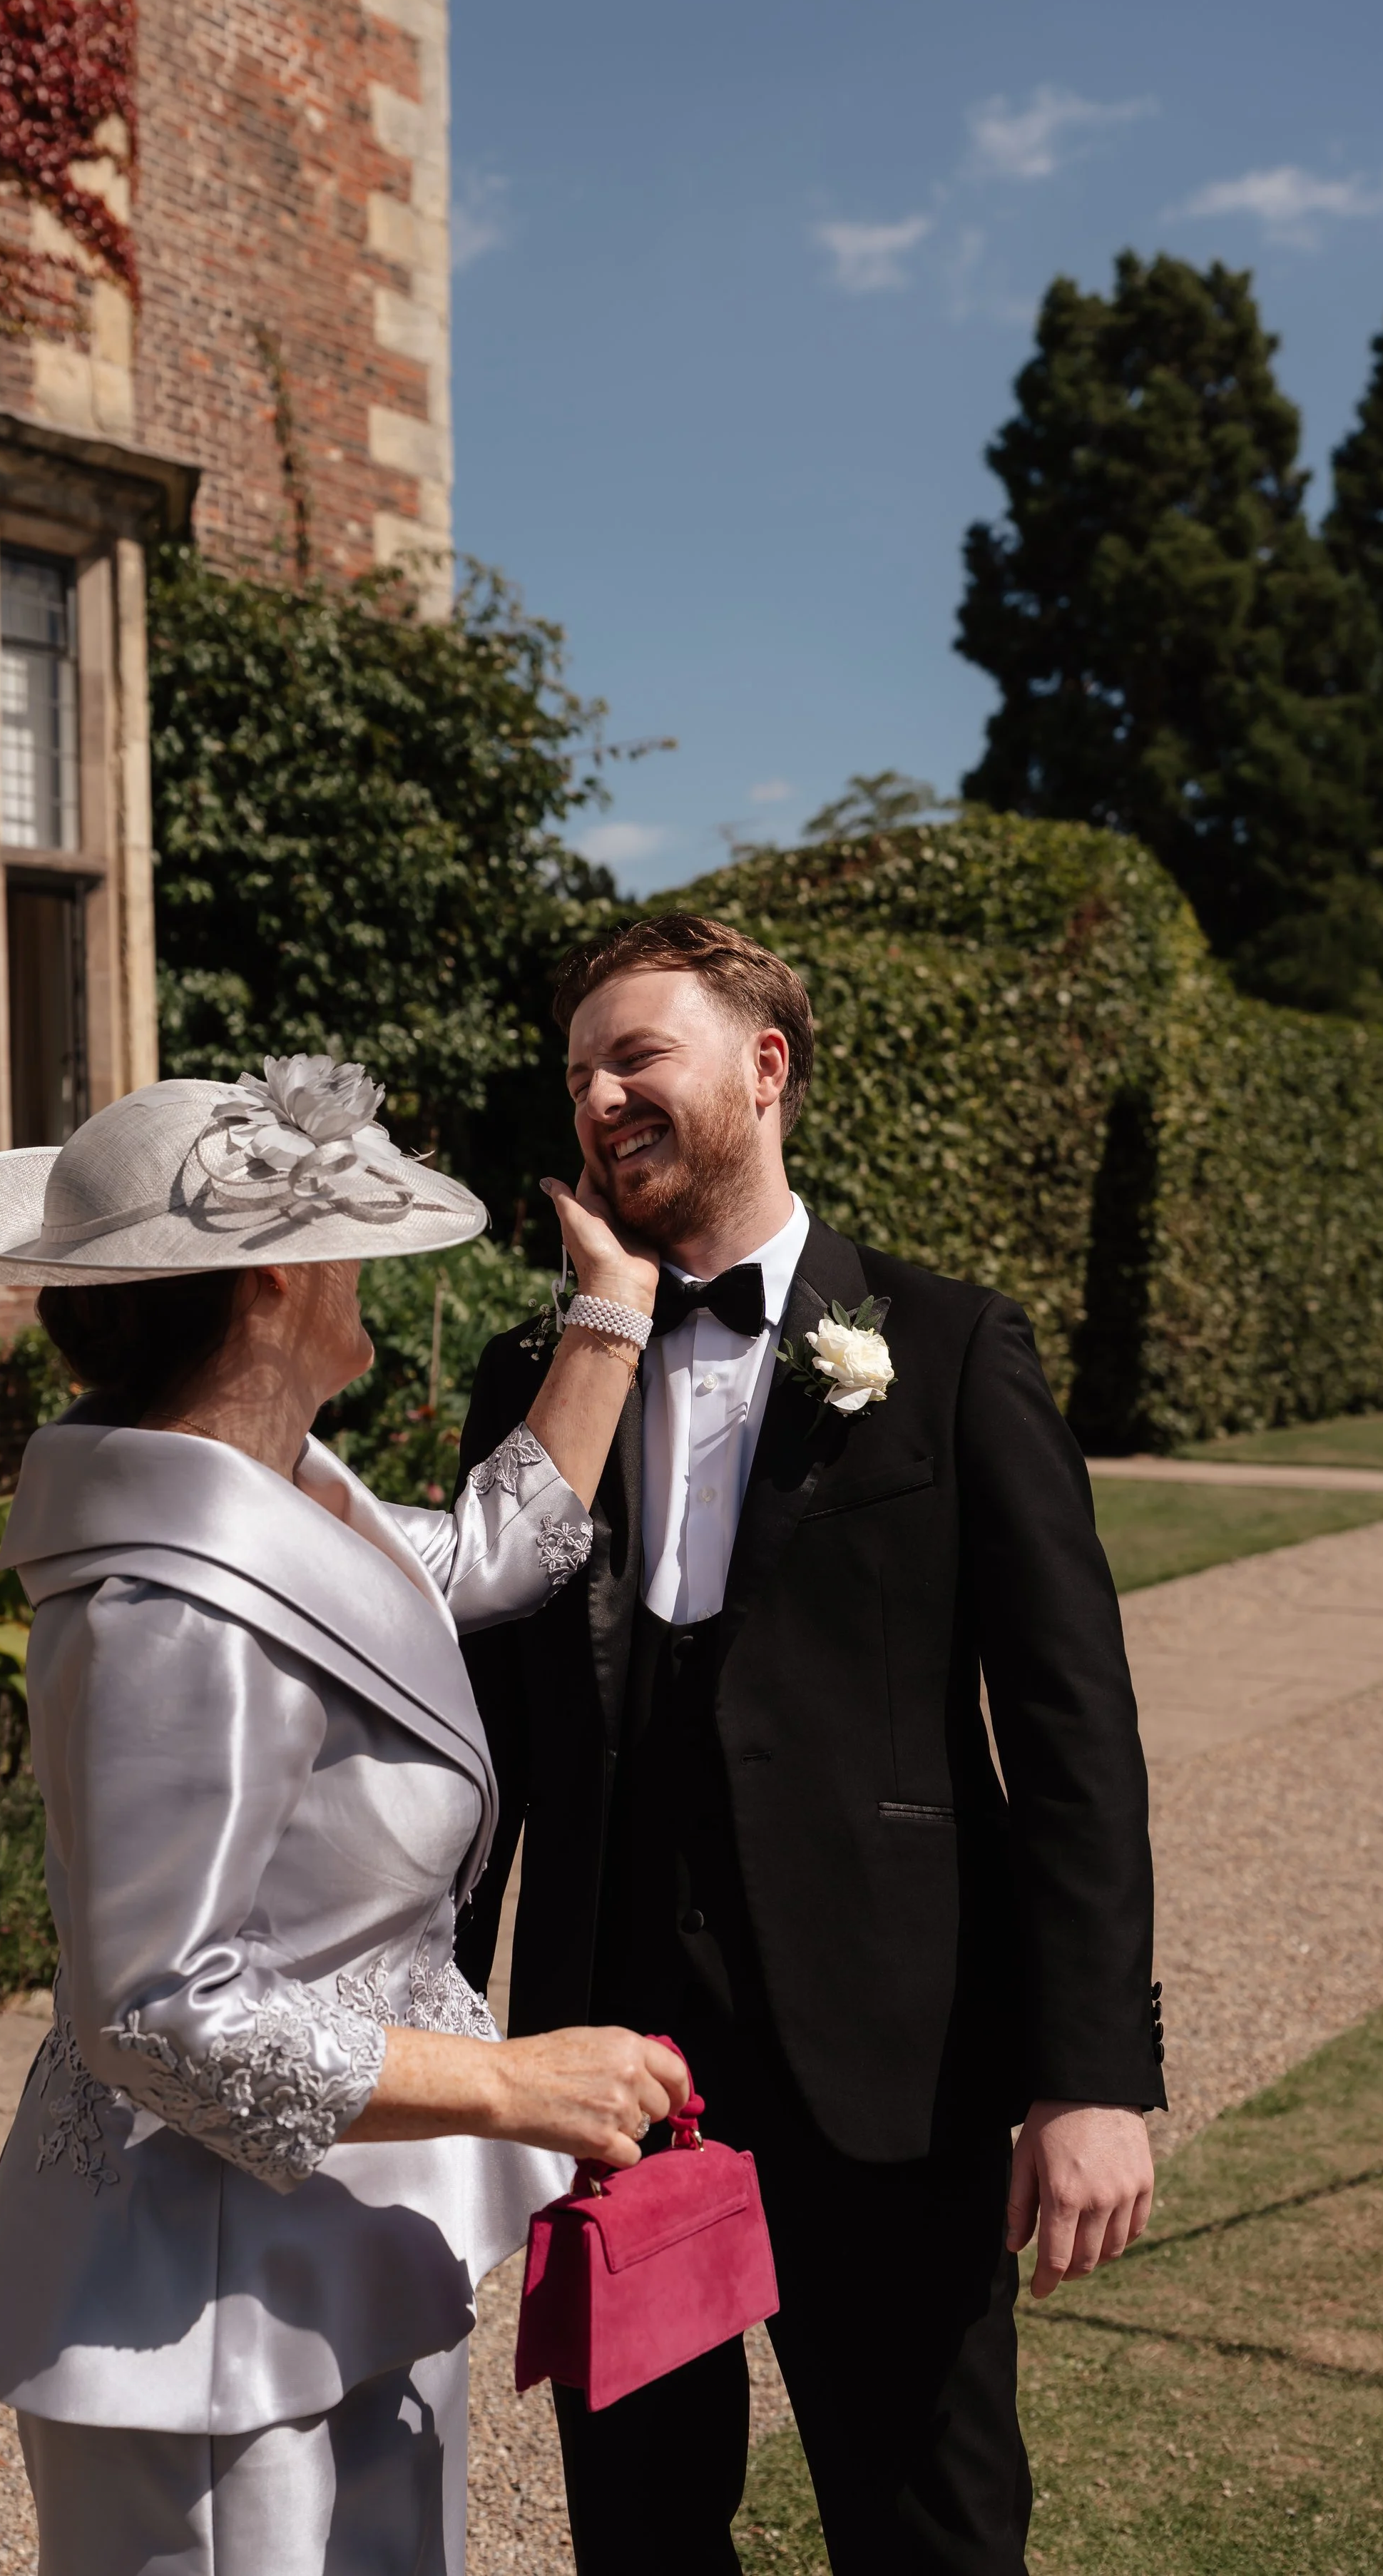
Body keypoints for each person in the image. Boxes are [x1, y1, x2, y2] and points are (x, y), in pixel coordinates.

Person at [454, 915, 1166, 2575]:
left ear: (764, 1068)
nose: (600, 1100)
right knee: (635, 2528)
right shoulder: (534, 1376)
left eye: (637, 1057)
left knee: (928, 2520)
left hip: (891, 2061)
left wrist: (1090, 2074)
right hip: (613, 2066)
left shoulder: (946, 1347)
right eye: (578, 1076)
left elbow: (1072, 1736)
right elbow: (475, 1749)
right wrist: (437, 2056)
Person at [0, 1055, 684, 2576]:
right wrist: (511, 2084)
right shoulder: (164, 1601)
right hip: (196, 2320)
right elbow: (153, 2013)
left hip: (323, 2245)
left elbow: (475, 1559)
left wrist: (611, 1313)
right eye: (346, 1230)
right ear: (274, 1274)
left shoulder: (279, 1484)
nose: (369, 1267)